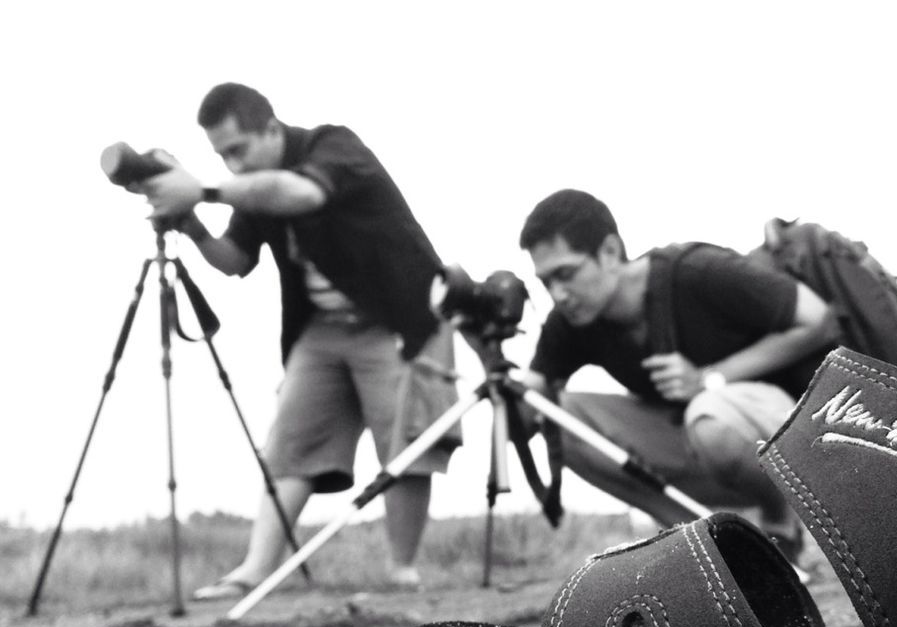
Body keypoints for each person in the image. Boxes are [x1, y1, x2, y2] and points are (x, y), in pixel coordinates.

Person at [139, 82, 459, 598]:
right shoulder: (255, 186)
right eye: (221, 156)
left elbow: (304, 194)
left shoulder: (333, 146)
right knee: (291, 441)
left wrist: (202, 190)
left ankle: (401, 572)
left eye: (238, 150)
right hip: (322, 328)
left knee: (406, 445)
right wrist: (192, 223)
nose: (233, 165)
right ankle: (253, 570)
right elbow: (234, 260)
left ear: (270, 129)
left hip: (397, 317)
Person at [518, 189, 837, 557]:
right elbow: (527, 405)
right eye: (545, 282)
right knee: (560, 419)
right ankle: (705, 544)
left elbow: (818, 319)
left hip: (782, 429)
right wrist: (485, 346)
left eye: (566, 273)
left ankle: (780, 521)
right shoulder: (570, 320)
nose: (557, 293)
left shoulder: (697, 271)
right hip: (692, 439)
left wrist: (708, 378)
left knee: (709, 416)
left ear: (608, 251)